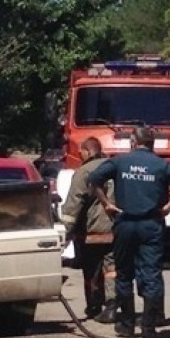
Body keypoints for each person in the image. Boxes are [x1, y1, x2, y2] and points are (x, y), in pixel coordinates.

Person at [88, 126, 170, 338]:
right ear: (152, 144)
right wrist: (169, 208)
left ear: (133, 142)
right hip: (151, 224)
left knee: (124, 274)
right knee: (151, 275)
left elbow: (94, 179)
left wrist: (106, 203)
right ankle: (148, 328)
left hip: (124, 222)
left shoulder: (119, 162)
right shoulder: (161, 165)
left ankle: (126, 326)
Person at [60, 137, 114, 320]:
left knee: (91, 271)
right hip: (116, 228)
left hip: (92, 232)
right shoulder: (115, 166)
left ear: (87, 151)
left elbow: (73, 206)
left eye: (80, 152)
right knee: (112, 268)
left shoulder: (83, 172)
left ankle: (94, 305)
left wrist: (64, 234)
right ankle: (113, 305)